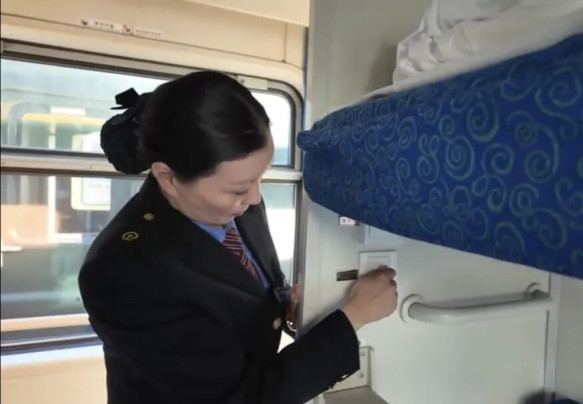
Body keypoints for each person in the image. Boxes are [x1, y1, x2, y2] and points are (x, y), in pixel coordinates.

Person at [78, 71, 398, 404]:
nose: (255, 198)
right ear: (168, 178)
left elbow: (233, 289)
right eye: (240, 188)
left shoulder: (234, 202)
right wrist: (354, 316)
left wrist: (281, 303)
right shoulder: (123, 274)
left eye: (260, 179)